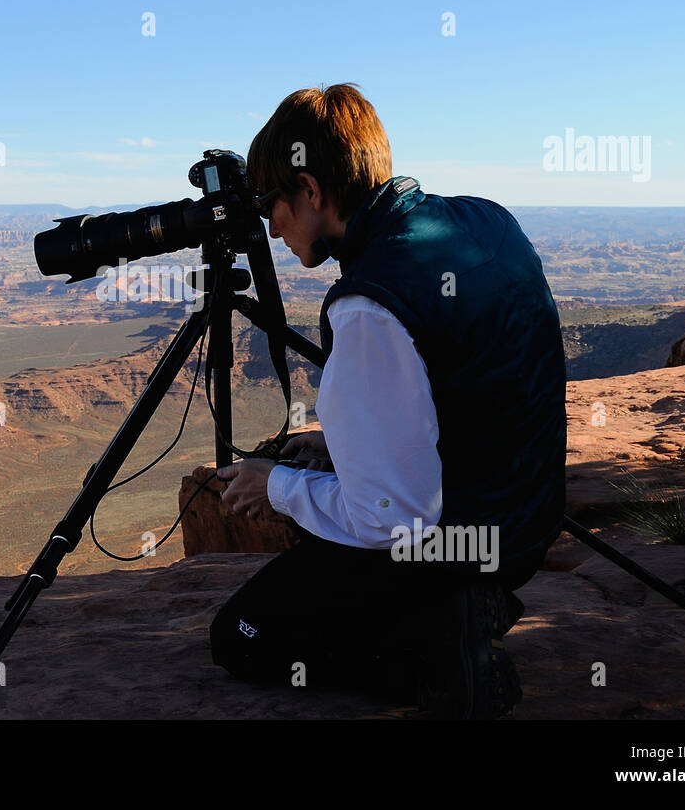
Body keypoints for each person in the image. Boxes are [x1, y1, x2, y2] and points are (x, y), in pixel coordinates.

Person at [210, 83, 566, 718]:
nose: (271, 225)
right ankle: (452, 611)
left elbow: (390, 523)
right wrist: (340, 443)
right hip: (523, 525)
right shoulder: (487, 219)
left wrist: (275, 486)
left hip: (451, 551)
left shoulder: (370, 302)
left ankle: (439, 656)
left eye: (273, 203)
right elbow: (471, 384)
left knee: (241, 637)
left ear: (311, 190)